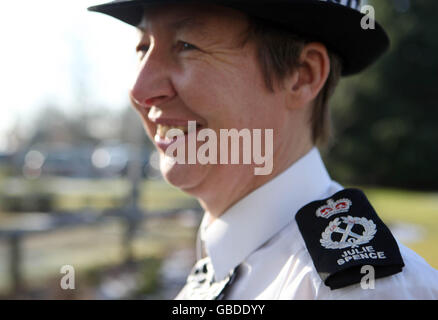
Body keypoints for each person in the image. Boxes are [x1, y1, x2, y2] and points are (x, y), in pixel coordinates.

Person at [88, 0, 438, 299]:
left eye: (185, 45)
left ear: (301, 74)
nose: (140, 89)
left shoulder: (355, 290)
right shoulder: (224, 265)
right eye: (142, 47)